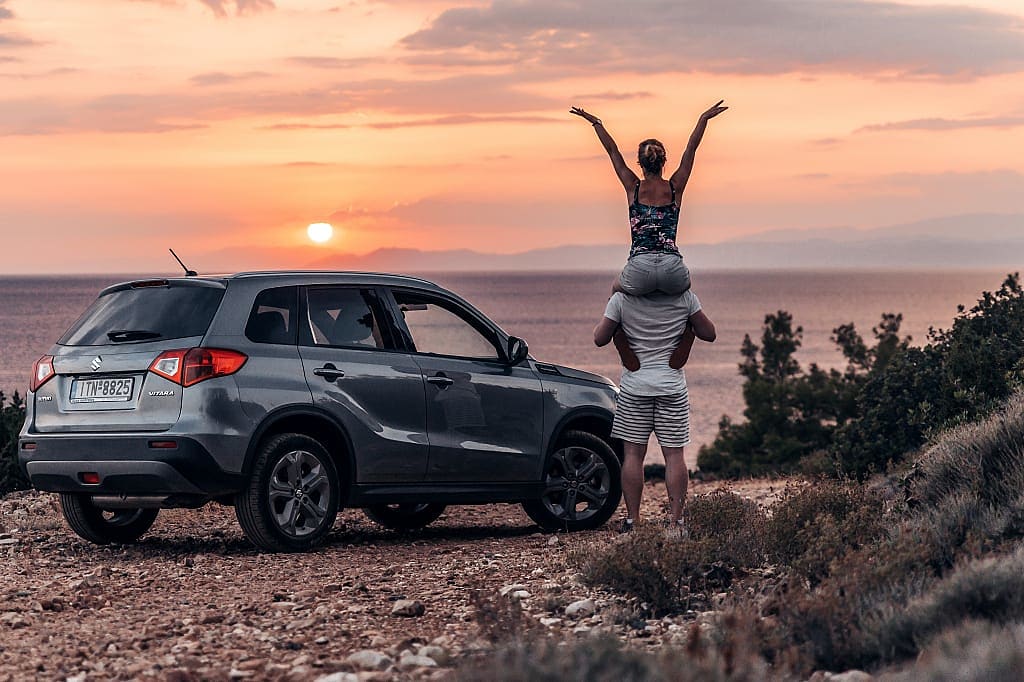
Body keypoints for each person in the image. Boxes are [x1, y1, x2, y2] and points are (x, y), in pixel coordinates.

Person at [570, 101, 728, 297]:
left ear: (640, 164)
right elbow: (691, 149)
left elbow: (613, 151)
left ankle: (616, 328)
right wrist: (703, 119)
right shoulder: (674, 187)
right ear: (664, 162)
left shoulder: (633, 187)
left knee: (615, 291)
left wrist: (596, 123)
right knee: (688, 301)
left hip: (639, 268)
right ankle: (689, 327)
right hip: (672, 269)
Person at [593, 289, 716, 534]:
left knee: (633, 455)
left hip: (635, 387)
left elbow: (599, 338)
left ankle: (633, 521)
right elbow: (710, 334)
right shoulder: (684, 298)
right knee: (674, 456)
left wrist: (614, 297)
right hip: (671, 386)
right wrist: (688, 326)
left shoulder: (621, 300)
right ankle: (676, 522)